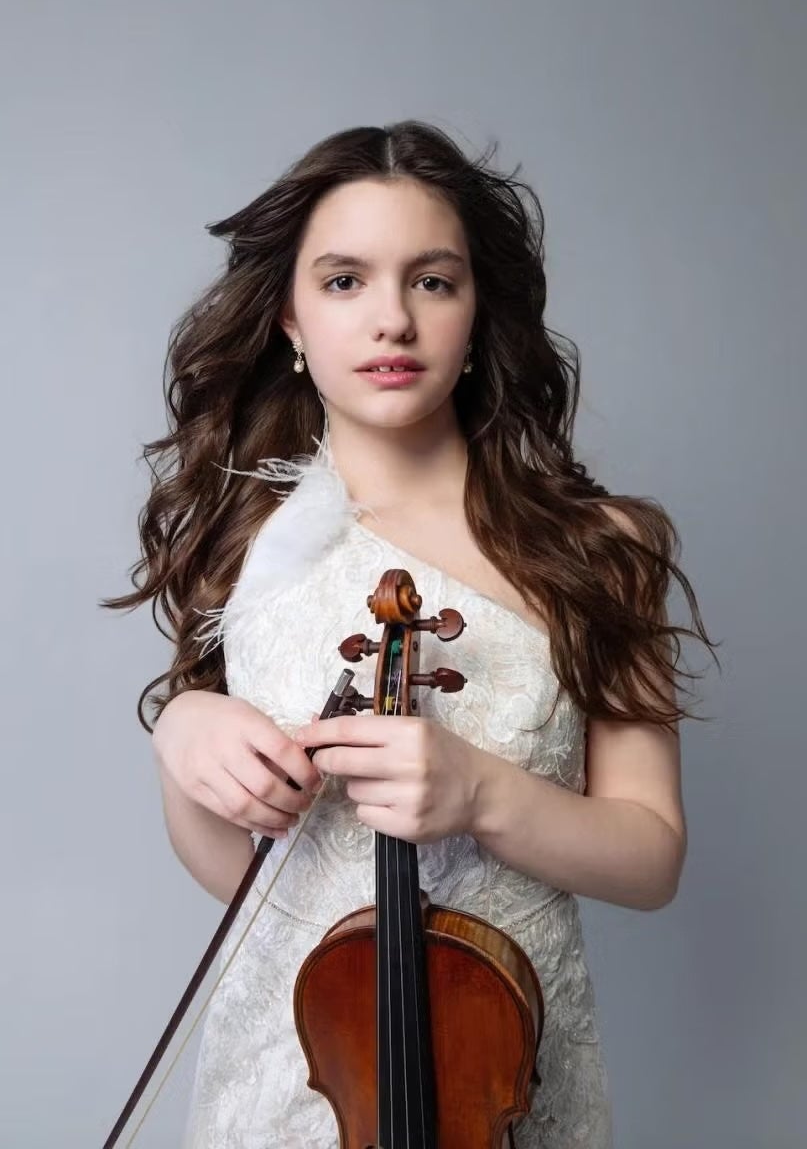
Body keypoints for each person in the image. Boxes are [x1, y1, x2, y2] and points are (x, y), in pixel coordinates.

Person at [105, 120, 716, 1148]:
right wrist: (183, 737)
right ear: (290, 320)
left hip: (502, 1069)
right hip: (300, 1067)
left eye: (433, 281)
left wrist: (485, 793)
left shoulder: (604, 546)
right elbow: (247, 881)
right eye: (344, 281)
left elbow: (650, 858)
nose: (392, 319)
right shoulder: (249, 538)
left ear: (478, 312)